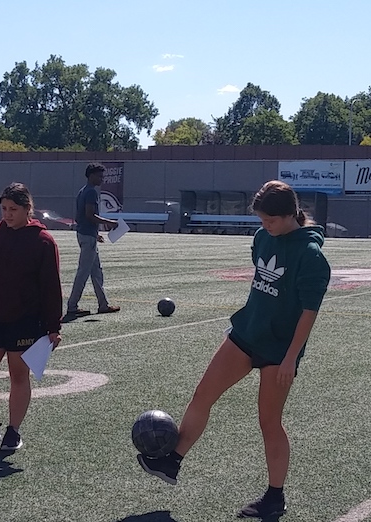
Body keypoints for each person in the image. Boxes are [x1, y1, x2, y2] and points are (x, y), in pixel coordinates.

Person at [136, 180, 330, 519]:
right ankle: (172, 462)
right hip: (246, 333)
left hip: (279, 350)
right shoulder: (261, 238)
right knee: (202, 396)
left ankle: (274, 497)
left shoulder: (312, 257)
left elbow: (308, 313)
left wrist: (289, 358)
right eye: (261, 220)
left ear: (288, 216)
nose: (263, 226)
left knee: (269, 422)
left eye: (269, 220)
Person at [0, 182, 64, 451]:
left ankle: (13, 430)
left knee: (19, 377)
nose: (7, 214)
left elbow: (51, 286)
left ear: (28, 209)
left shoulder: (43, 241)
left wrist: (53, 325)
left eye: (13, 209)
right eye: (4, 208)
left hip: (25, 322)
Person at [65, 162, 119, 317]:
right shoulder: (91, 193)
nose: (102, 179)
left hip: (86, 234)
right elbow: (90, 215)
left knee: (96, 272)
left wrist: (95, 234)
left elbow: (80, 217)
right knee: (83, 272)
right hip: (87, 237)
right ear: (91, 175)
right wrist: (111, 223)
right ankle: (72, 306)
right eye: (100, 176)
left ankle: (103, 304)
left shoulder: (83, 191)